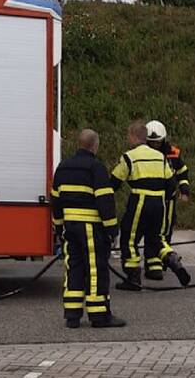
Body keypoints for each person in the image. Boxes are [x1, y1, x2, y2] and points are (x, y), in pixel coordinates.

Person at [51, 129, 126, 328]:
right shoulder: (96, 168)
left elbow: (55, 200)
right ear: (95, 145)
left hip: (69, 228)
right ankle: (99, 315)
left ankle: (72, 315)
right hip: (91, 228)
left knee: (73, 267)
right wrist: (112, 230)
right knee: (95, 270)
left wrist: (58, 227)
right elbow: (105, 202)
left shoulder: (62, 168)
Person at [110, 121, 191, 290]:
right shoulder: (160, 157)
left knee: (129, 237)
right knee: (157, 238)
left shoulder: (129, 156)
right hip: (160, 204)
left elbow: (114, 183)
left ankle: (133, 278)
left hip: (140, 201)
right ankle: (172, 260)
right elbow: (171, 184)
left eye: (128, 136)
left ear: (134, 137)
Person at [145, 120, 190, 258]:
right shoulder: (143, 154)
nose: (155, 146)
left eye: (157, 142)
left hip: (168, 199)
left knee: (166, 229)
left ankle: (164, 257)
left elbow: (182, 173)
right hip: (149, 198)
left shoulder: (173, 153)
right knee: (150, 228)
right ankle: (152, 261)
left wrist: (184, 191)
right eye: (151, 143)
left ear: (163, 140)